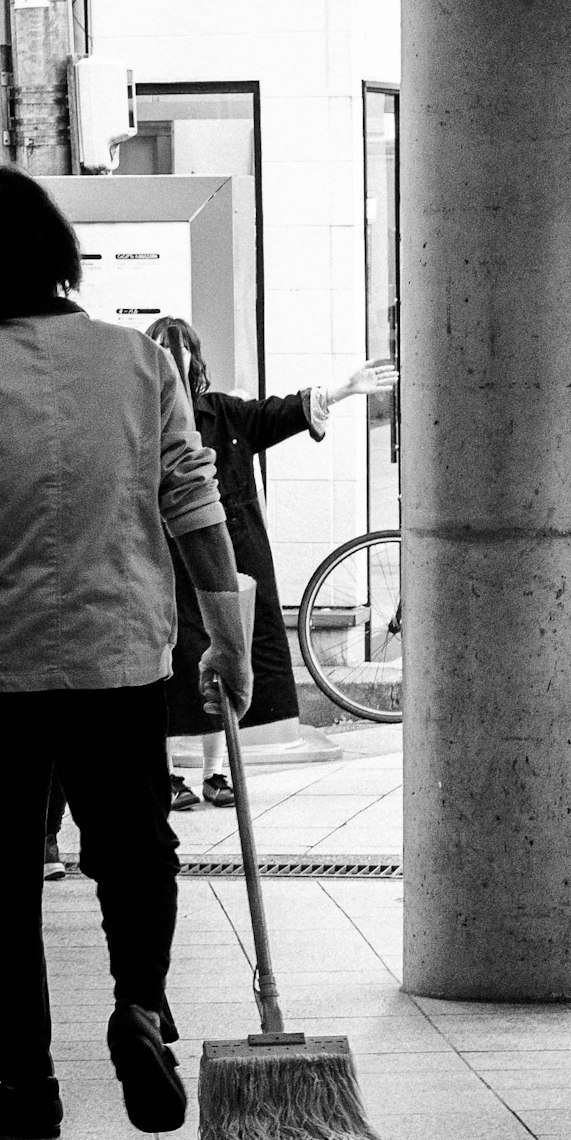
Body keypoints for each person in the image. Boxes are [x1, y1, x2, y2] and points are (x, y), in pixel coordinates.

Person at [0, 169, 252, 1139]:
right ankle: (141, 1008)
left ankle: (27, 1079)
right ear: (59, 256)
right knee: (136, 849)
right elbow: (194, 504)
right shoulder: (138, 364)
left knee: (2, 869)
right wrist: (227, 642)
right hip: (117, 654)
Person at [145, 316, 396, 806]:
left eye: (180, 350)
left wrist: (343, 389)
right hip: (162, 565)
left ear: (197, 361)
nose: (174, 360)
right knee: (169, 666)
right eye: (161, 350)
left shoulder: (226, 414)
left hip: (224, 564)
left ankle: (217, 774)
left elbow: (281, 412)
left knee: (223, 662)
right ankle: (168, 777)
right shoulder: (136, 423)